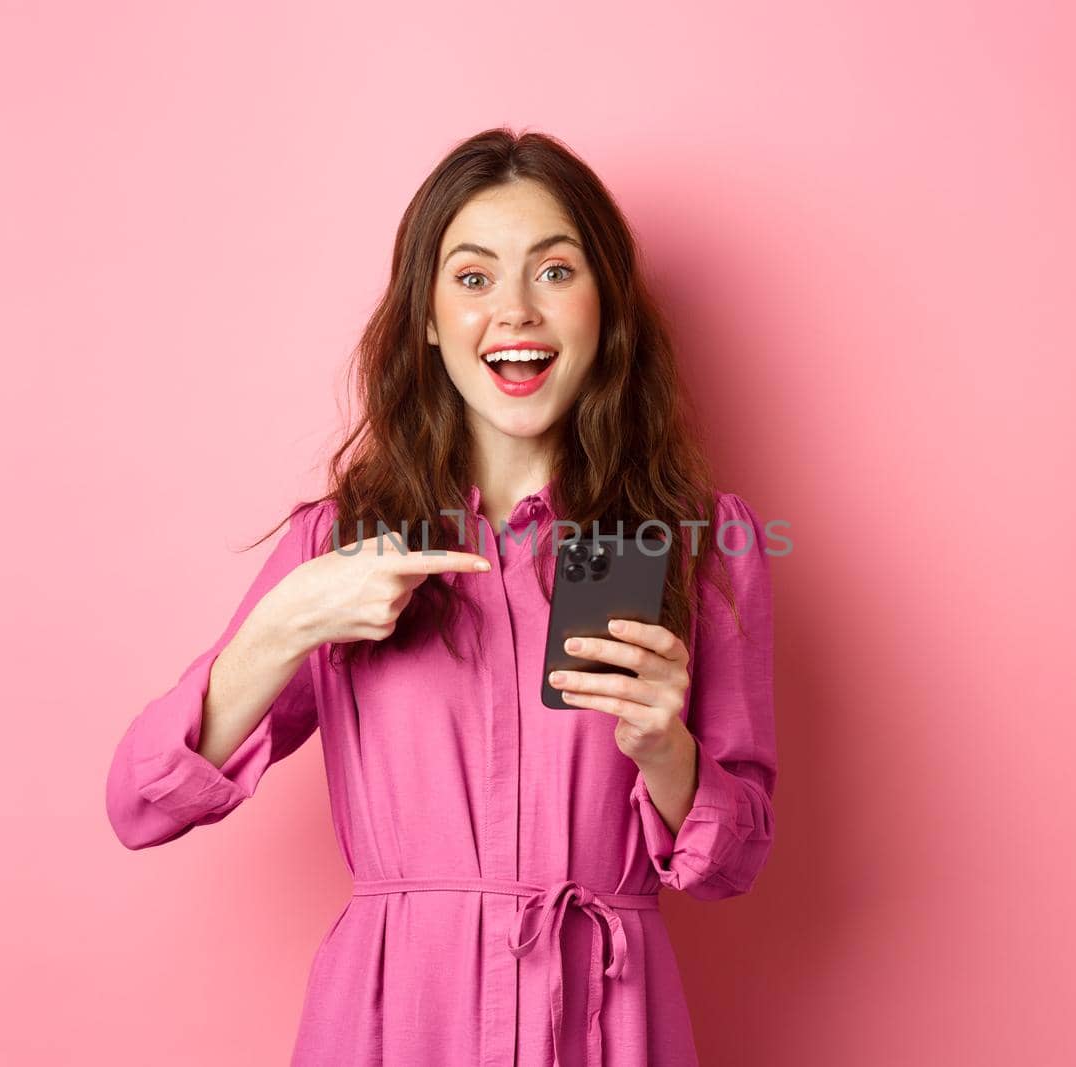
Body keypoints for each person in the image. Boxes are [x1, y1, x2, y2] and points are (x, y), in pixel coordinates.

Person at [105, 126, 779, 1067]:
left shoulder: (702, 544)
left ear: (606, 304)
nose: (515, 310)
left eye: (554, 271)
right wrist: (285, 623)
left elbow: (732, 864)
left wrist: (667, 750)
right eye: (472, 278)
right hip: (393, 1025)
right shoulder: (343, 545)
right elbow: (141, 802)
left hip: (603, 1025)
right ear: (425, 317)